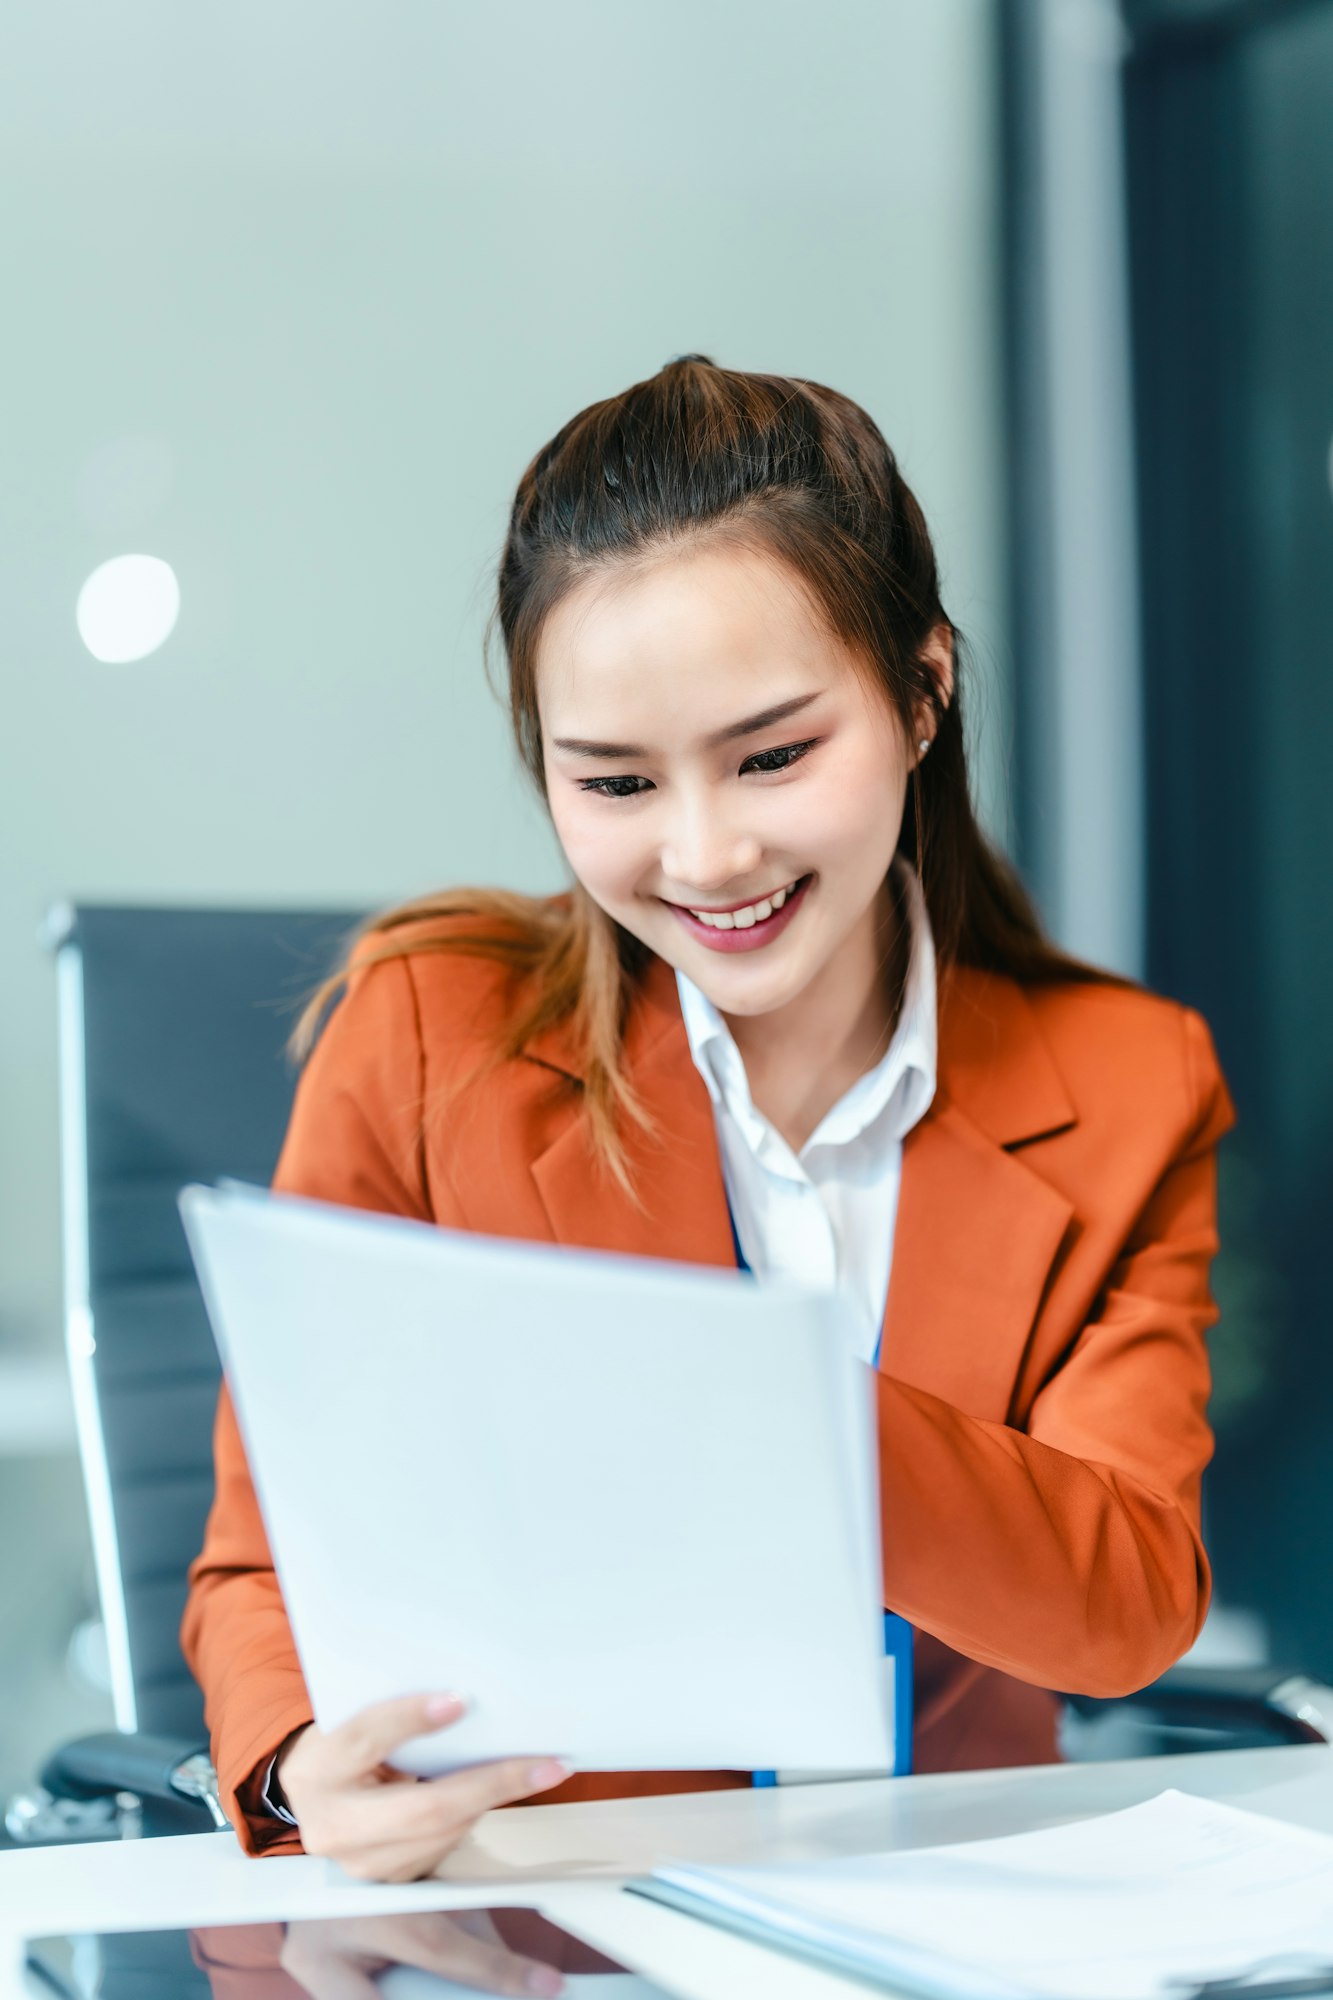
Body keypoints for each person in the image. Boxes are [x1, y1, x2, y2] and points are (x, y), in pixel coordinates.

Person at [182, 356, 1234, 1882]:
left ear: (922, 693)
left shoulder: (1127, 1080)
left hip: (956, 1912)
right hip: (546, 1915)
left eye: (774, 755)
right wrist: (295, 1771)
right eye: (611, 782)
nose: (704, 853)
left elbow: (1128, 1600)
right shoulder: (425, 1036)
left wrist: (762, 1410)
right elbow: (258, 1557)